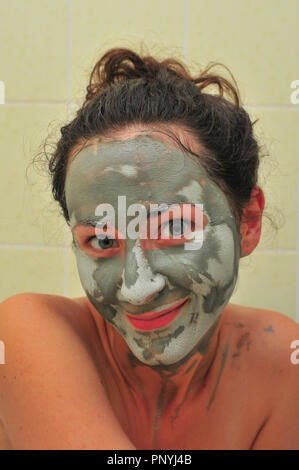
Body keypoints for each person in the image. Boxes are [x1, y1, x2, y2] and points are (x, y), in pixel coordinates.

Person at [0, 47, 299, 451]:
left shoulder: (284, 362)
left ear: (248, 222)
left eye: (175, 228)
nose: (137, 287)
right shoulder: (23, 334)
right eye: (103, 240)